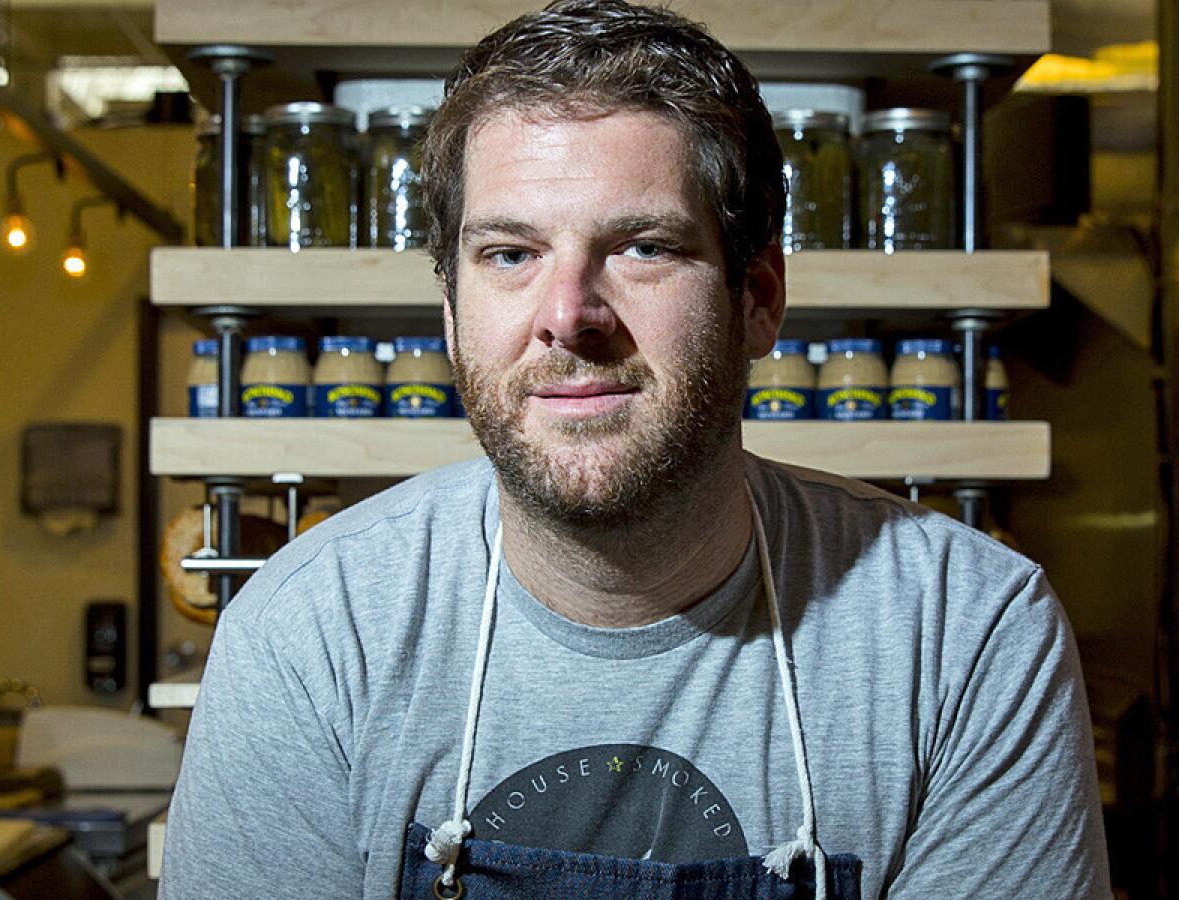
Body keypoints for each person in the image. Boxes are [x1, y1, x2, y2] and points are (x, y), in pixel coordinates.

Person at [160, 2, 1112, 898]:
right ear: (451, 315)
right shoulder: (310, 638)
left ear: (759, 299)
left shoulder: (966, 637)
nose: (570, 316)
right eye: (509, 254)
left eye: (644, 247)